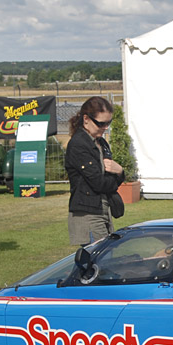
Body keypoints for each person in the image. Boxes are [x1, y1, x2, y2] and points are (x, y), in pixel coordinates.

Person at [66, 96, 124, 245]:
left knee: (104, 258)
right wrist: (118, 174)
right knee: (96, 261)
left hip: (103, 209)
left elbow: (107, 178)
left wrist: (119, 171)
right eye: (101, 123)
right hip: (88, 213)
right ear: (86, 119)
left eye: (108, 123)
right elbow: (99, 183)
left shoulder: (101, 142)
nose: (105, 128)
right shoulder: (79, 144)